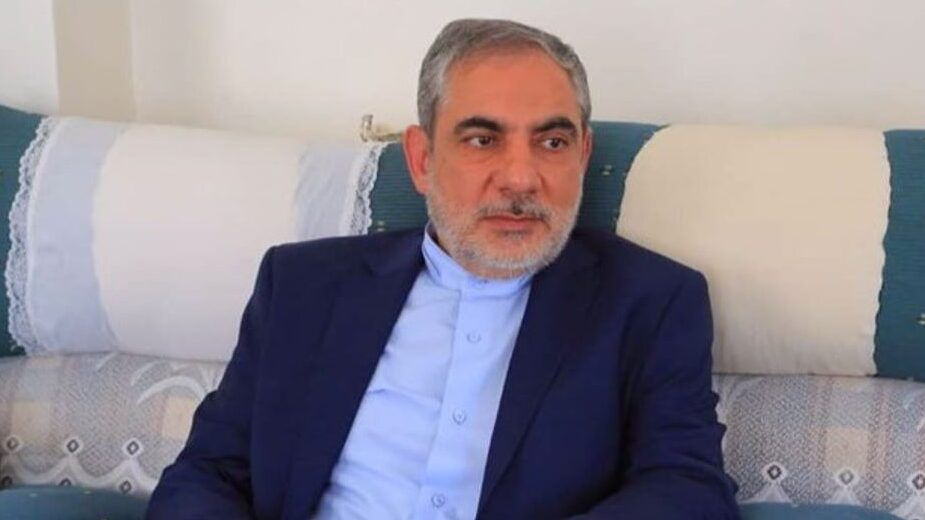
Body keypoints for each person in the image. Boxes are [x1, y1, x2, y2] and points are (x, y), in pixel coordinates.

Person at [148, 18, 739, 519]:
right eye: (483, 140)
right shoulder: (304, 287)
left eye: (552, 143)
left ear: (583, 155)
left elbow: (688, 491)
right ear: (422, 159)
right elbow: (206, 474)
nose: (520, 178)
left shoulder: (650, 301)